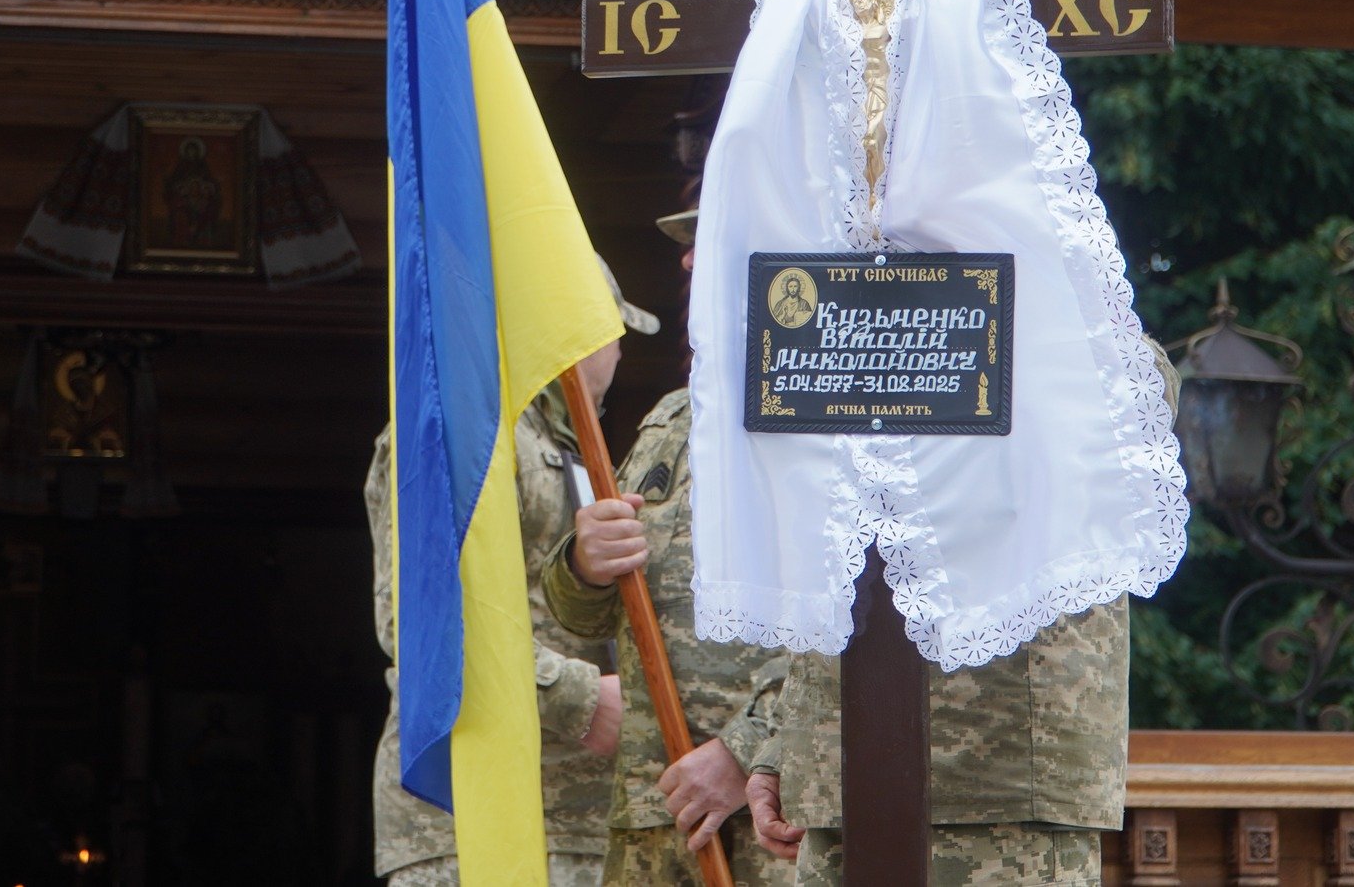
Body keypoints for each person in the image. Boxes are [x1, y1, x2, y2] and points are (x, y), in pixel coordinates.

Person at [740, 345, 1184, 887]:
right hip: (839, 777)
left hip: (1003, 781)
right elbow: (828, 561)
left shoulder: (1076, 327)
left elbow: (1137, 399)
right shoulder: (840, 326)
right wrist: (782, 748)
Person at [366, 258, 660, 887]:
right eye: (613, 332)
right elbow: (419, 624)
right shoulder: (459, 435)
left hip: (575, 819)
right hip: (470, 823)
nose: (617, 353)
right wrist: (580, 698)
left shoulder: (554, 442)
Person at [544, 210, 793, 887]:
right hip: (657, 821)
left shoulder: (842, 418)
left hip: (778, 821)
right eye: (689, 248)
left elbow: (873, 625)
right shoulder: (674, 418)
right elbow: (590, 615)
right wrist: (586, 564)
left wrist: (745, 752)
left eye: (713, 239)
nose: (687, 262)